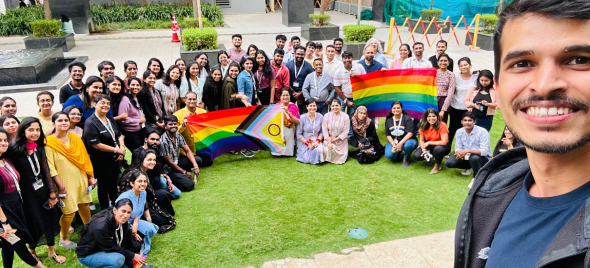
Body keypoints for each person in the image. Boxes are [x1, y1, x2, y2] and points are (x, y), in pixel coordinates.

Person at [454, 0, 590, 260]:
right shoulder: (490, 192)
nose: (545, 85)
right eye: (522, 63)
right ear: (498, 85)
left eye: (578, 60)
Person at [10, 118, 63, 263]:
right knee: (32, 222)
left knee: (50, 219)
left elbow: (46, 172)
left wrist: (52, 193)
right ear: (23, 131)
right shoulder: (14, 151)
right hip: (27, 196)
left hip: (44, 192)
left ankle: (52, 251)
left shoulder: (39, 147)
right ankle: (32, 251)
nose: (35, 133)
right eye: (31, 130)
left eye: (38, 130)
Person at [0, 128, 47, 268]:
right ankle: (40, 267)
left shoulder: (5, 159)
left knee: (7, 244)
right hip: (3, 214)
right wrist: (4, 222)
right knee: (16, 242)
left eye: (5, 140)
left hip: (15, 208)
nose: (3, 143)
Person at [46, 112, 95, 249]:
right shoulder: (49, 143)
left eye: (66, 120)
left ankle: (90, 231)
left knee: (84, 204)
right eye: (60, 120)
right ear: (54, 123)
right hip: (64, 182)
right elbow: (51, 168)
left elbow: (85, 159)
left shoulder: (74, 137)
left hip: (80, 178)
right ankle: (64, 237)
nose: (63, 123)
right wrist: (60, 187)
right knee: (69, 211)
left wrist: (90, 176)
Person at [76, 199, 145, 268]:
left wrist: (136, 258)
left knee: (127, 265)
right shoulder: (101, 226)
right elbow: (111, 248)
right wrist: (133, 255)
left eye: (129, 212)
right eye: (123, 211)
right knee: (118, 260)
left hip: (105, 250)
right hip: (88, 254)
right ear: (115, 210)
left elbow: (126, 241)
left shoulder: (122, 221)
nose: (126, 215)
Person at [84, 94, 126, 210]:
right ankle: (105, 210)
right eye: (102, 103)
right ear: (95, 104)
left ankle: (116, 206)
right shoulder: (90, 122)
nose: (106, 105)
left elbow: (118, 135)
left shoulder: (109, 118)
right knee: (103, 186)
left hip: (115, 158)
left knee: (113, 184)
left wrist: (121, 149)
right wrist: (116, 150)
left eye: (108, 103)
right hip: (101, 161)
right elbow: (95, 144)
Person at [127, 149, 176, 233]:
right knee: (165, 221)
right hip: (134, 207)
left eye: (154, 160)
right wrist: (148, 218)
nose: (152, 162)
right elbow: (138, 200)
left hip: (145, 200)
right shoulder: (136, 175)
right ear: (142, 160)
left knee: (163, 194)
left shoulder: (144, 171)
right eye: (149, 160)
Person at [115, 170, 158, 255]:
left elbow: (138, 213)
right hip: (121, 225)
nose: (143, 184)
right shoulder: (125, 198)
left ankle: (139, 240)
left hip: (133, 221)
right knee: (133, 247)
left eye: (145, 181)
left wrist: (135, 225)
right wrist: (131, 230)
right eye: (139, 181)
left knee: (151, 228)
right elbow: (117, 218)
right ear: (132, 183)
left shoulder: (143, 193)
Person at [132, 129, 181, 200]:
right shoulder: (137, 152)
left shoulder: (156, 149)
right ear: (146, 139)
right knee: (163, 184)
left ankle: (161, 194)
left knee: (177, 194)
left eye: (157, 140)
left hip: (155, 178)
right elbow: (136, 172)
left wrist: (166, 176)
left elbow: (158, 167)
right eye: (152, 139)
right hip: (144, 180)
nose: (155, 142)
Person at [445, 112, 490, 187]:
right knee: (449, 163)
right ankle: (470, 167)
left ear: (474, 122)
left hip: (481, 157)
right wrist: (458, 153)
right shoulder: (459, 131)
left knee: (474, 158)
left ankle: (475, 178)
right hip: (466, 156)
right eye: (465, 120)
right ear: (461, 121)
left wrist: (467, 151)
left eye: (470, 120)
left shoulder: (483, 132)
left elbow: (484, 151)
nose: (467, 123)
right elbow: (458, 147)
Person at [160, 115, 200, 191]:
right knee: (189, 186)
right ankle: (172, 179)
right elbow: (169, 163)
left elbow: (187, 151)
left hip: (177, 161)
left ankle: (181, 174)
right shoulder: (163, 141)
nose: (173, 126)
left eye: (175, 124)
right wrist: (184, 172)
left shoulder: (178, 135)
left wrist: (195, 166)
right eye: (170, 124)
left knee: (197, 160)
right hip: (168, 169)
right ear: (165, 127)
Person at [334, 51, 367, 142]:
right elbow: (337, 88)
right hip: (342, 97)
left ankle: (351, 136)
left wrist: (357, 76)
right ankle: (338, 135)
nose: (347, 60)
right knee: (338, 116)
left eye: (349, 58)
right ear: (342, 59)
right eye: (345, 58)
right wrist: (346, 101)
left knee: (351, 116)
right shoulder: (338, 71)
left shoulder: (359, 67)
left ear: (352, 58)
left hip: (355, 97)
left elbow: (367, 79)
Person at [448, 57, 477, 149]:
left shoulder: (476, 77)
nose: (463, 67)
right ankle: (447, 149)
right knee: (452, 128)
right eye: (461, 66)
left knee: (467, 128)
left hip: (469, 108)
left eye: (465, 65)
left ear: (470, 65)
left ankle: (465, 149)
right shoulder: (455, 77)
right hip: (456, 107)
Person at [174, 91, 208, 165]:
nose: (192, 101)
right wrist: (183, 125)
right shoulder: (177, 115)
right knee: (196, 161)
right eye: (189, 99)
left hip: (201, 147)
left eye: (194, 99)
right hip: (186, 150)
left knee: (208, 163)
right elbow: (174, 133)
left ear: (197, 100)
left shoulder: (203, 112)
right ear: (185, 101)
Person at [413, 108, 450, 174]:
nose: (431, 118)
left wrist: (429, 142)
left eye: (434, 116)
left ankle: (437, 166)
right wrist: (424, 150)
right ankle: (430, 157)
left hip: (442, 146)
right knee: (417, 156)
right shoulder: (423, 125)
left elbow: (444, 142)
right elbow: (421, 140)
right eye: (429, 116)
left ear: (437, 117)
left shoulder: (442, 125)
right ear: (426, 117)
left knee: (438, 149)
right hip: (429, 146)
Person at [384, 101, 417, 166]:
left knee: (409, 145)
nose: (396, 110)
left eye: (398, 108)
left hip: (407, 140)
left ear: (401, 109)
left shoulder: (407, 119)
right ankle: (398, 153)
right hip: (395, 141)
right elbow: (388, 135)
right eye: (394, 108)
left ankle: (406, 158)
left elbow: (410, 133)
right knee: (389, 155)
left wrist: (400, 143)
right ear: (391, 109)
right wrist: (393, 144)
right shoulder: (388, 120)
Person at [118, 77, 145, 153]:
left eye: (137, 85)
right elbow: (122, 119)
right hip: (130, 133)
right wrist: (138, 120)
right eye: (133, 85)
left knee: (140, 155)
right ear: (128, 86)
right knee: (139, 154)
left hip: (139, 131)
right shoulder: (125, 100)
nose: (135, 87)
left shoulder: (136, 98)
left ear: (141, 87)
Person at [319, 99, 350, 164]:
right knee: (325, 150)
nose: (334, 107)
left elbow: (345, 132)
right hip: (329, 139)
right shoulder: (326, 116)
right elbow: (324, 130)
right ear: (330, 106)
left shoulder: (346, 117)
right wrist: (329, 142)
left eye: (336, 105)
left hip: (341, 141)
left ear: (340, 106)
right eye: (333, 106)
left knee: (342, 156)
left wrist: (334, 140)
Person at [272, 89, 300, 157]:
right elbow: (274, 124)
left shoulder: (293, 106)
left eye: (287, 95)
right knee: (277, 155)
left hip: (290, 131)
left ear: (290, 96)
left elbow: (297, 121)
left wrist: (288, 112)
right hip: (278, 132)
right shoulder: (276, 107)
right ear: (280, 97)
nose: (285, 97)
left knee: (288, 154)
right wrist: (281, 137)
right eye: (283, 95)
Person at [286, 46, 314, 112]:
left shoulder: (309, 66)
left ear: (304, 54)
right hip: (290, 92)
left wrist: (301, 93)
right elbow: (286, 80)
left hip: (303, 93)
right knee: (289, 112)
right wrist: (292, 91)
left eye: (302, 54)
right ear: (294, 53)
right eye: (298, 54)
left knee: (303, 113)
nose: (300, 56)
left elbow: (311, 82)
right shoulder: (288, 64)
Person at [296, 99, 323, 164]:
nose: (312, 108)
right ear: (307, 107)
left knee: (318, 151)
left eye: (314, 106)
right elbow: (299, 134)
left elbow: (322, 132)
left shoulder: (320, 117)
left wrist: (317, 141)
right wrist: (307, 144)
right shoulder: (302, 118)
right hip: (305, 141)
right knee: (306, 160)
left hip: (316, 141)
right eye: (310, 106)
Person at [436, 54, 456, 123]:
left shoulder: (451, 75)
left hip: (444, 100)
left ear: (448, 62)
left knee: (442, 123)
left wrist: (443, 110)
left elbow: (451, 92)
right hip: (432, 100)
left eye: (445, 61)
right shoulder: (433, 73)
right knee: (431, 121)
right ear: (437, 62)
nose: (443, 62)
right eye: (441, 61)